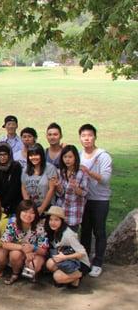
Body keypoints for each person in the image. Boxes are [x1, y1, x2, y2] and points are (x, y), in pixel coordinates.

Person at [78, 123, 112, 278]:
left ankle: (98, 262)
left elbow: (105, 179)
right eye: (84, 136)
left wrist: (88, 172)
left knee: (99, 231)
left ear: (95, 137)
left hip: (100, 199)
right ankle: (85, 261)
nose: (87, 139)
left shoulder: (103, 156)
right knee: (84, 230)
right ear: (80, 138)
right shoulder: (78, 154)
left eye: (89, 135)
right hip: (84, 199)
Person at [0, 200, 49, 285]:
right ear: (19, 212)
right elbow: (4, 243)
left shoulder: (40, 226)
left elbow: (44, 250)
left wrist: (32, 248)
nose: (28, 215)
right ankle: (15, 273)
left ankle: (32, 273)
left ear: (35, 214)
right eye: (25, 211)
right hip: (19, 251)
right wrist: (23, 248)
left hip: (35, 253)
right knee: (15, 254)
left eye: (32, 213)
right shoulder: (13, 223)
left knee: (35, 264)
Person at [45, 206, 90, 288]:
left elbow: (82, 253)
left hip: (80, 262)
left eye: (56, 220)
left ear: (62, 221)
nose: (53, 222)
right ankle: (68, 276)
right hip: (67, 259)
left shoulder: (68, 234)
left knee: (57, 277)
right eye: (50, 219)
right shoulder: (52, 231)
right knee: (49, 263)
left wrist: (64, 257)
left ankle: (77, 276)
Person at [55, 145, 88, 232]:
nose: (67, 159)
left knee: (70, 238)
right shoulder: (60, 172)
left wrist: (76, 188)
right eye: (65, 157)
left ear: (75, 158)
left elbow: (84, 193)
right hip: (61, 210)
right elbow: (61, 194)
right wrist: (58, 187)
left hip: (74, 211)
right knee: (59, 238)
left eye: (70, 157)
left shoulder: (81, 173)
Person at [21, 143, 57, 215]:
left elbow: (52, 189)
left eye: (36, 155)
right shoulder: (25, 169)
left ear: (42, 155)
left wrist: (41, 208)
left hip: (47, 207)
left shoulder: (50, 168)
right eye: (31, 155)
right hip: (31, 209)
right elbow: (23, 188)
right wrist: (29, 207)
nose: (33, 157)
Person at [0, 142, 23, 216]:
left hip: (15, 202)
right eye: (0, 155)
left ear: (9, 155)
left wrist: (4, 204)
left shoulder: (16, 166)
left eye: (5, 154)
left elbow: (15, 187)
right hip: (1, 203)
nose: (3, 157)